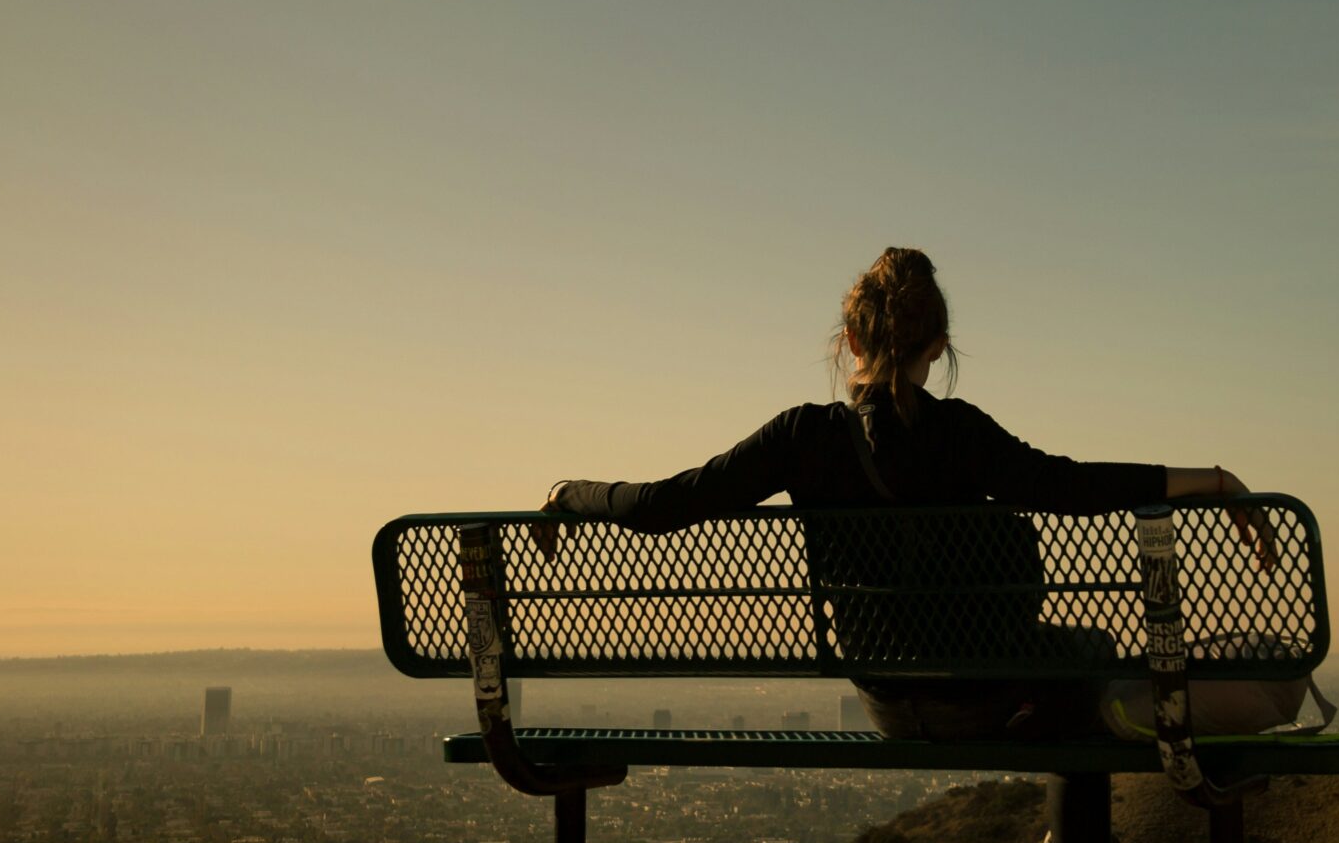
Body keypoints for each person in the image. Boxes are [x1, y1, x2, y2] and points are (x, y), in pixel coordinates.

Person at [534, 245, 1273, 732]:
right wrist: (1208, 481)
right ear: (938, 348)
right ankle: (1069, 841)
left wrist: (573, 493)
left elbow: (665, 504)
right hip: (984, 691)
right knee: (1092, 656)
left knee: (1075, 680)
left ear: (851, 340)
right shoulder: (963, 433)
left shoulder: (802, 436)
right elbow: (1070, 484)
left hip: (886, 696)